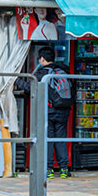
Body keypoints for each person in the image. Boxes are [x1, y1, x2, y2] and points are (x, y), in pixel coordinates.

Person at [33, 46, 73, 178]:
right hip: (63, 110)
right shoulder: (63, 70)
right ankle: (63, 169)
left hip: (49, 110)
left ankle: (49, 169)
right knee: (60, 138)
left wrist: (16, 81)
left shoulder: (42, 73)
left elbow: (29, 87)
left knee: (48, 138)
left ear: (42, 59)